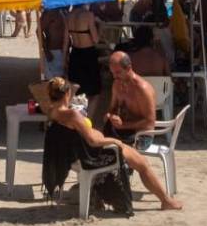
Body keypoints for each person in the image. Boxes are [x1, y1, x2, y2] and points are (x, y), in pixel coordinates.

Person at [45, 77, 181, 211]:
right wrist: (115, 141)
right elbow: (93, 141)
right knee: (142, 164)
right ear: (67, 94)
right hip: (90, 155)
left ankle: (98, 196)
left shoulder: (52, 112)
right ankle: (166, 200)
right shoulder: (72, 115)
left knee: (135, 158)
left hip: (73, 154)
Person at [104, 51, 157, 142]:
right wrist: (110, 115)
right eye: (112, 73)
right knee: (96, 141)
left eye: (118, 72)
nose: (115, 76)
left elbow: (149, 122)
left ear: (129, 68)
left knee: (112, 148)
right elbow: (112, 108)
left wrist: (123, 125)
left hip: (141, 135)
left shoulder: (142, 89)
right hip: (123, 131)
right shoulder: (117, 84)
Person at [65, 4, 102, 100]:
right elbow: (96, 39)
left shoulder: (69, 16)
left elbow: (66, 41)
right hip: (88, 53)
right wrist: (100, 26)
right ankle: (89, 114)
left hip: (75, 53)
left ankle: (79, 112)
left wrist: (65, 57)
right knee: (94, 91)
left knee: (76, 90)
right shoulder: (89, 15)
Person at [38, 7, 67, 78]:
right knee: (52, 81)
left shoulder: (63, 12)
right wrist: (46, 50)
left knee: (61, 80)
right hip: (52, 51)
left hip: (62, 51)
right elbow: (38, 31)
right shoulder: (49, 13)